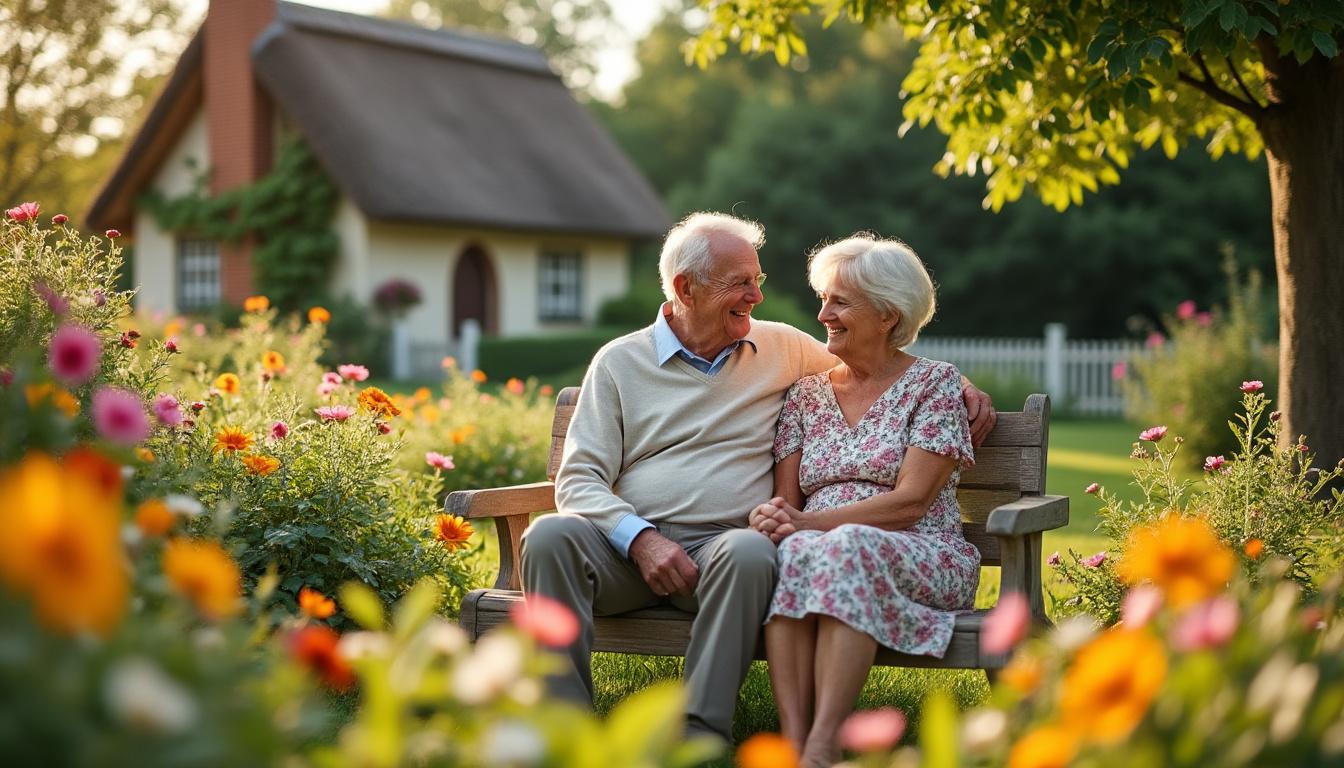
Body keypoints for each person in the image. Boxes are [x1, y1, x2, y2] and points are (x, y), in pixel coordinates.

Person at [520, 213, 995, 743]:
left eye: (757, 280)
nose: (756, 296)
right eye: (740, 283)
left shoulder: (779, 346)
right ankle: (562, 732)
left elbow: (878, 362)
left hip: (722, 552)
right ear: (686, 288)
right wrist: (641, 540)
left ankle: (701, 733)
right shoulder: (618, 363)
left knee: (750, 553)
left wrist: (963, 388)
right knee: (549, 535)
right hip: (625, 553)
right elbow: (579, 478)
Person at [748, 234, 979, 767]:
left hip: (922, 550)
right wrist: (776, 517)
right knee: (796, 552)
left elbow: (911, 503)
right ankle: (795, 741)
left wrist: (808, 521)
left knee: (843, 544)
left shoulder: (934, 385)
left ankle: (825, 744)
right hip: (822, 545)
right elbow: (787, 502)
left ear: (888, 317)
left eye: (840, 302)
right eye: (824, 298)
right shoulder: (806, 393)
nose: (823, 312)